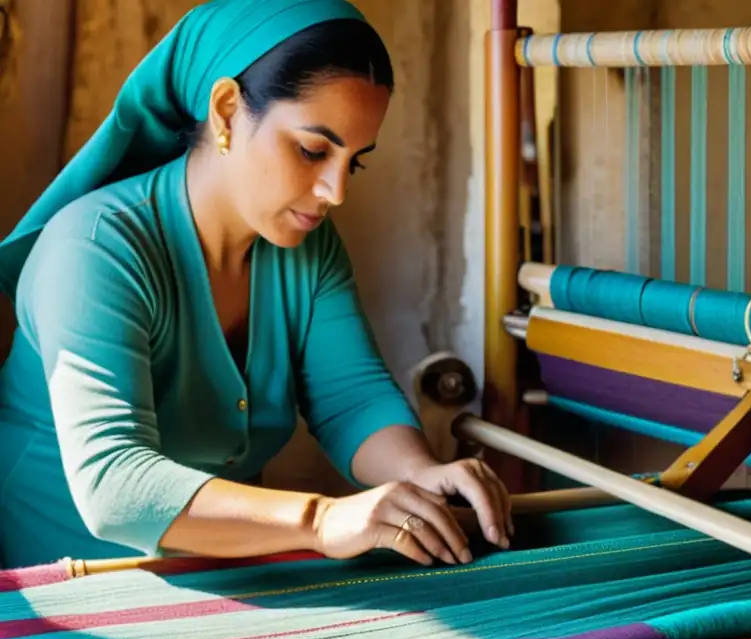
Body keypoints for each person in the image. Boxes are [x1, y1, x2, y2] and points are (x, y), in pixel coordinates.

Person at [0, 0, 512, 570]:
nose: (335, 191)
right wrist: (321, 520)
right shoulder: (93, 248)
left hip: (216, 583)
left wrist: (421, 472)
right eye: (313, 150)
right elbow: (114, 486)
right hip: (56, 597)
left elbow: (352, 398)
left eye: (354, 162)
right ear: (225, 113)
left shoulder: (307, 246)